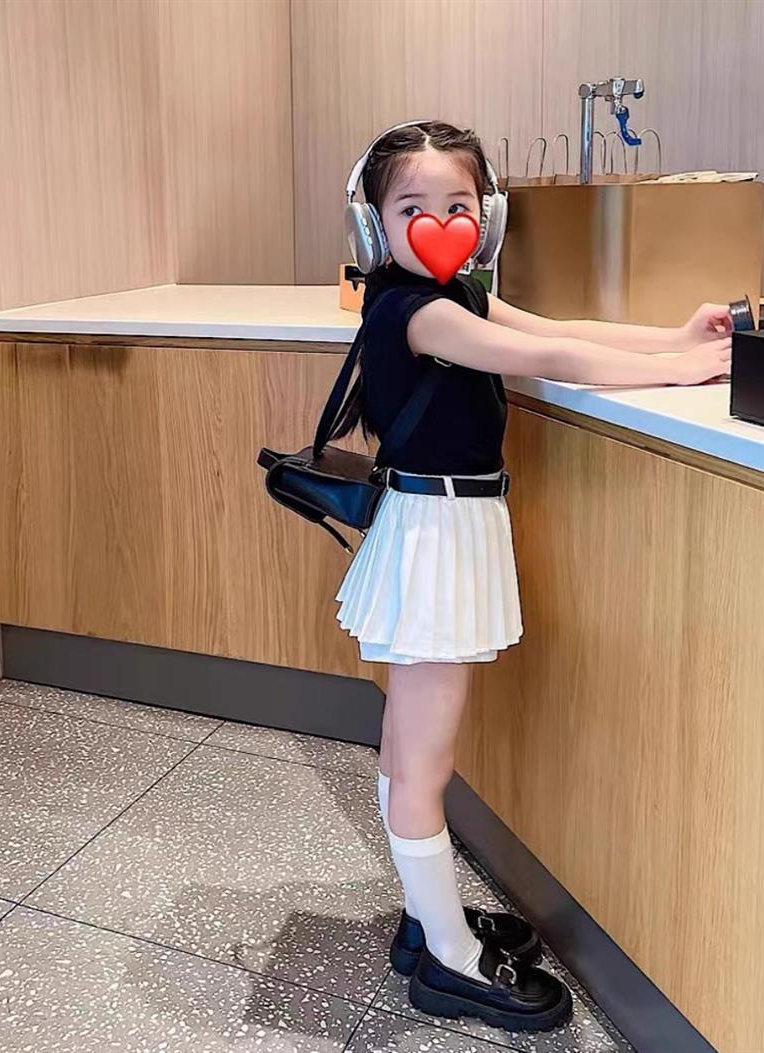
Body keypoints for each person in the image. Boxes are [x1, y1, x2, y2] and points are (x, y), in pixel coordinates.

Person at [329, 120, 731, 1033]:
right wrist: (682, 369)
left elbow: (559, 327)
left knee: (411, 748)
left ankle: (428, 919)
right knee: (421, 759)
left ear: (487, 216)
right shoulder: (416, 311)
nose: (440, 222)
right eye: (413, 206)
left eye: (459, 205)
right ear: (374, 224)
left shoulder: (454, 292)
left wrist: (675, 335)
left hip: (444, 528)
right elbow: (546, 358)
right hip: (435, 538)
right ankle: (446, 958)